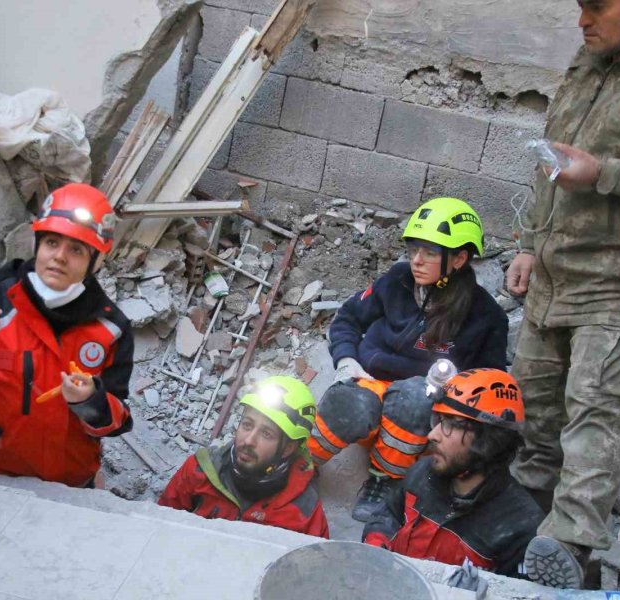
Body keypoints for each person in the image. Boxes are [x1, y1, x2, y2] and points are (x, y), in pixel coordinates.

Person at [504, 0, 620, 588]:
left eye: (598, 7)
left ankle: (571, 550)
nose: (583, 20)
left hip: (614, 284)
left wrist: (603, 171)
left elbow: (588, 166)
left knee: (594, 415)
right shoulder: (588, 61)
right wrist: (528, 242)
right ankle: (526, 522)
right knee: (534, 405)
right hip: (553, 274)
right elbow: (549, 160)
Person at [0, 183, 133, 488]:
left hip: (68, 484)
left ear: (94, 262)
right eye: (52, 243)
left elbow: (117, 421)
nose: (59, 257)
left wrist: (90, 400)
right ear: (37, 245)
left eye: (76, 250)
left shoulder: (111, 330)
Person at [307, 197, 508, 522]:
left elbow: (490, 383)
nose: (416, 260)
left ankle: (384, 483)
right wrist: (346, 360)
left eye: (429, 253)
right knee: (350, 402)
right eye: (414, 249)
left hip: (420, 421)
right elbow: (347, 318)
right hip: (372, 391)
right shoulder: (397, 281)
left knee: (415, 398)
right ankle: (300, 465)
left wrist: (455, 394)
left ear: (458, 258)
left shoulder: (485, 317)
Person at [362, 369, 545, 578]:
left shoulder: (520, 528)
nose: (433, 434)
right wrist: (376, 544)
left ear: (489, 439)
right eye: (438, 421)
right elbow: (389, 514)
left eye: (450, 424)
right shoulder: (423, 473)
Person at [158, 376, 330, 538]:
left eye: (266, 434)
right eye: (247, 425)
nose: (248, 440)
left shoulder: (304, 511)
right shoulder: (201, 471)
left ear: (288, 448)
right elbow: (158, 527)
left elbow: (317, 566)